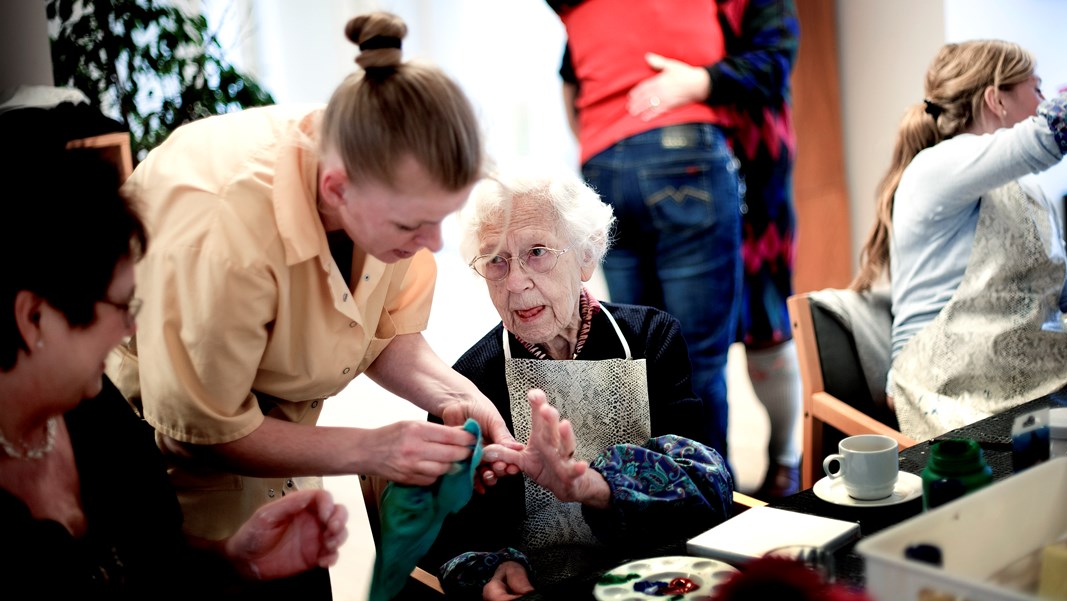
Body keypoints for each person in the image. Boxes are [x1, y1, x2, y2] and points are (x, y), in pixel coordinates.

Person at [104, 11, 515, 546]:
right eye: (413, 224)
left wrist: (464, 397)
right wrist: (374, 449)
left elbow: (378, 335)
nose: (434, 243)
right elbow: (202, 430)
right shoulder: (222, 230)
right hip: (173, 497)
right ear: (336, 187)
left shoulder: (380, 165)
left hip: (285, 475)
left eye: (443, 217)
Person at [0, 138, 348, 599]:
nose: (132, 325)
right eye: (122, 305)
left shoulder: (98, 414)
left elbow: (157, 557)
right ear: (34, 318)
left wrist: (232, 559)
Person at [417, 166, 735, 600]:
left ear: (587, 254)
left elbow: (706, 482)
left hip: (662, 580)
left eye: (537, 252)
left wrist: (591, 486)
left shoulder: (650, 338)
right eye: (496, 260)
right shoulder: (467, 382)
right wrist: (491, 566)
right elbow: (443, 531)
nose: (515, 282)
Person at [549, 0, 744, 462]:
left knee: (637, 355)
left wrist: (601, 139)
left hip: (604, 159)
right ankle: (711, 500)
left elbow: (569, 82)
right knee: (697, 359)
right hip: (685, 152)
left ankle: (654, 495)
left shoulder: (578, 7)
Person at [851, 40, 1067, 441]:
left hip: (1028, 391)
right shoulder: (936, 166)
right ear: (996, 100)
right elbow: (1048, 134)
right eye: (1036, 89)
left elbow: (1059, 295)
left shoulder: (1027, 190)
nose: (1042, 101)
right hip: (949, 396)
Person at [707, 0, 802, 497]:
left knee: (767, 320)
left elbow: (773, 64)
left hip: (759, 168)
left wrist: (699, 80)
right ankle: (708, 472)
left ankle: (786, 458)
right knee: (695, 335)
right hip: (686, 166)